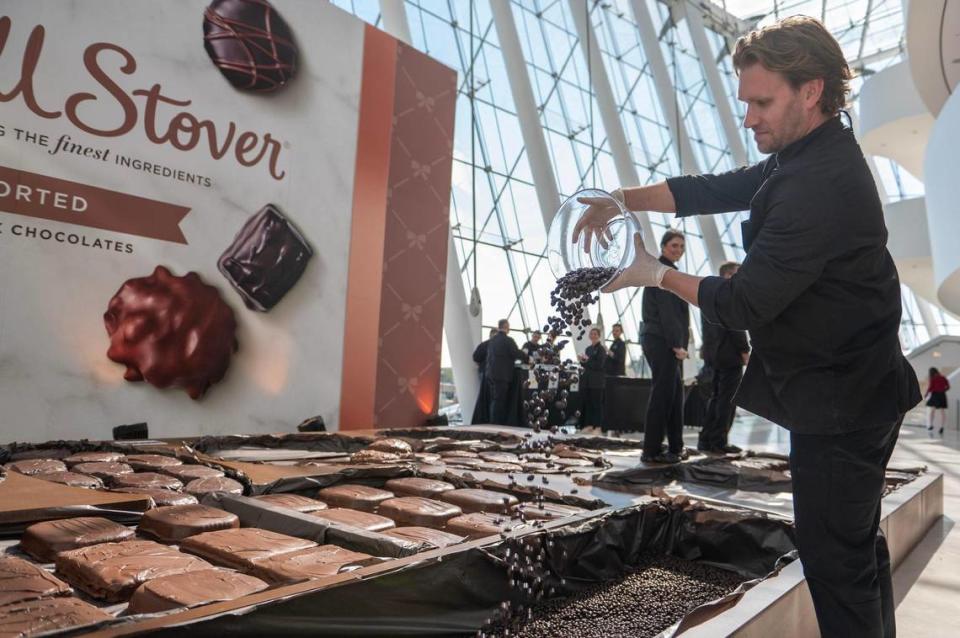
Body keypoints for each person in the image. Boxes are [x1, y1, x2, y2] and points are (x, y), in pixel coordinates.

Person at [574, 17, 919, 637]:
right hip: (856, 388)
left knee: (834, 561)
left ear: (810, 90)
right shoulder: (809, 151)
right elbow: (721, 187)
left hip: (841, 403)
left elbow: (745, 303)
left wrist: (652, 274)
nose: (750, 116)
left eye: (763, 102)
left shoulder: (819, 183)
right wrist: (624, 197)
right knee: (854, 547)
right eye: (746, 102)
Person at [637, 230, 689, 464]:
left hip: (661, 339)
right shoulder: (664, 271)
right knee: (663, 395)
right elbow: (668, 313)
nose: (678, 250)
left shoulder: (667, 270)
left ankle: (676, 447)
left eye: (681, 246)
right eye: (674, 246)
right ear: (663, 246)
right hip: (662, 341)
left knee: (674, 395)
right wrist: (677, 344)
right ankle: (651, 451)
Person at [698, 262, 750, 453]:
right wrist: (745, 351)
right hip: (730, 356)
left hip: (714, 357)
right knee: (727, 400)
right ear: (729, 275)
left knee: (716, 399)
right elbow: (736, 326)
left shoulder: (710, 295)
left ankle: (706, 439)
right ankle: (719, 442)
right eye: (737, 274)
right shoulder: (730, 295)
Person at [485, 319, 528, 425]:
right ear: (506, 326)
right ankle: (497, 423)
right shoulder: (508, 340)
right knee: (500, 400)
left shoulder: (492, 340)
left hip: (491, 374)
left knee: (494, 399)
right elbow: (516, 353)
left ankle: (493, 421)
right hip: (502, 375)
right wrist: (527, 358)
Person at [579, 327, 607, 432]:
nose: (593, 336)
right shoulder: (588, 349)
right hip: (588, 380)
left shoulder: (601, 349)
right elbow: (586, 365)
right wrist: (582, 361)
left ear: (599, 336)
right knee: (589, 403)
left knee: (597, 405)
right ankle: (590, 425)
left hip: (597, 382)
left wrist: (587, 360)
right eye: (592, 334)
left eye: (595, 334)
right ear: (589, 336)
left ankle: (598, 426)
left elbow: (599, 365)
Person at [470, 328, 499, 424]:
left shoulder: (484, 345)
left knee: (484, 395)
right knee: (493, 397)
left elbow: (475, 357)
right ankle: (492, 418)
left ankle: (484, 417)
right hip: (494, 374)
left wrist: (481, 364)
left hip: (484, 372)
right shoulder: (496, 346)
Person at [926, 367, 950, 435]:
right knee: (942, 412)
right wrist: (942, 391)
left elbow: (930, 388)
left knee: (932, 411)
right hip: (942, 395)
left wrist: (926, 394)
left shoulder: (933, 378)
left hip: (935, 395)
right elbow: (948, 387)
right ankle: (942, 427)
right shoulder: (943, 377)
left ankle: (930, 425)